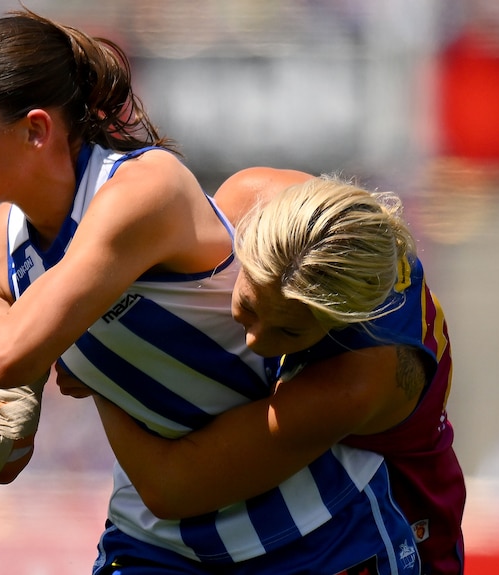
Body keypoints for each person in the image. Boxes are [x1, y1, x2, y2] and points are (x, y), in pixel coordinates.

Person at [0, 11, 418, 574]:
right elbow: (0, 443)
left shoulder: (142, 191)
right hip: (153, 550)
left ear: (36, 130)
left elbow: (11, 351)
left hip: (318, 538)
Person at [85, 170, 465, 574]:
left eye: (290, 330)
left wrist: (95, 364)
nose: (256, 341)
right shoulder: (248, 200)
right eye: (248, 306)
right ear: (243, 243)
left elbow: (170, 486)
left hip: (392, 519)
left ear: (340, 322)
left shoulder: (359, 378)